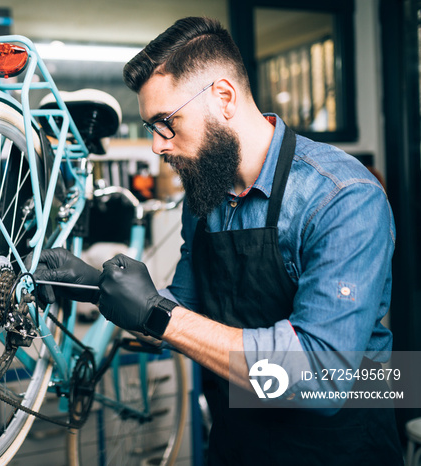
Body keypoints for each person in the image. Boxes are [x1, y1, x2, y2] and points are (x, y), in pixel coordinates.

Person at [34, 17, 404, 465]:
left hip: (336, 446)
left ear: (223, 97)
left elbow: (320, 375)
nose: (157, 145)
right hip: (239, 442)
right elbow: (183, 316)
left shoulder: (342, 196)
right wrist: (98, 289)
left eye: (165, 123)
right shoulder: (205, 197)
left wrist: (158, 313)